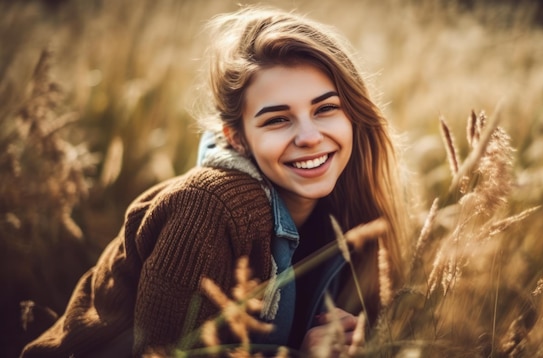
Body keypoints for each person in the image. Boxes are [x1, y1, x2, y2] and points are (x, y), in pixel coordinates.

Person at [21, 5, 410, 357]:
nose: (309, 136)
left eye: (325, 108)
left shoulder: (347, 206)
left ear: (353, 115)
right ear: (236, 137)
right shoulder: (207, 205)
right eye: (277, 119)